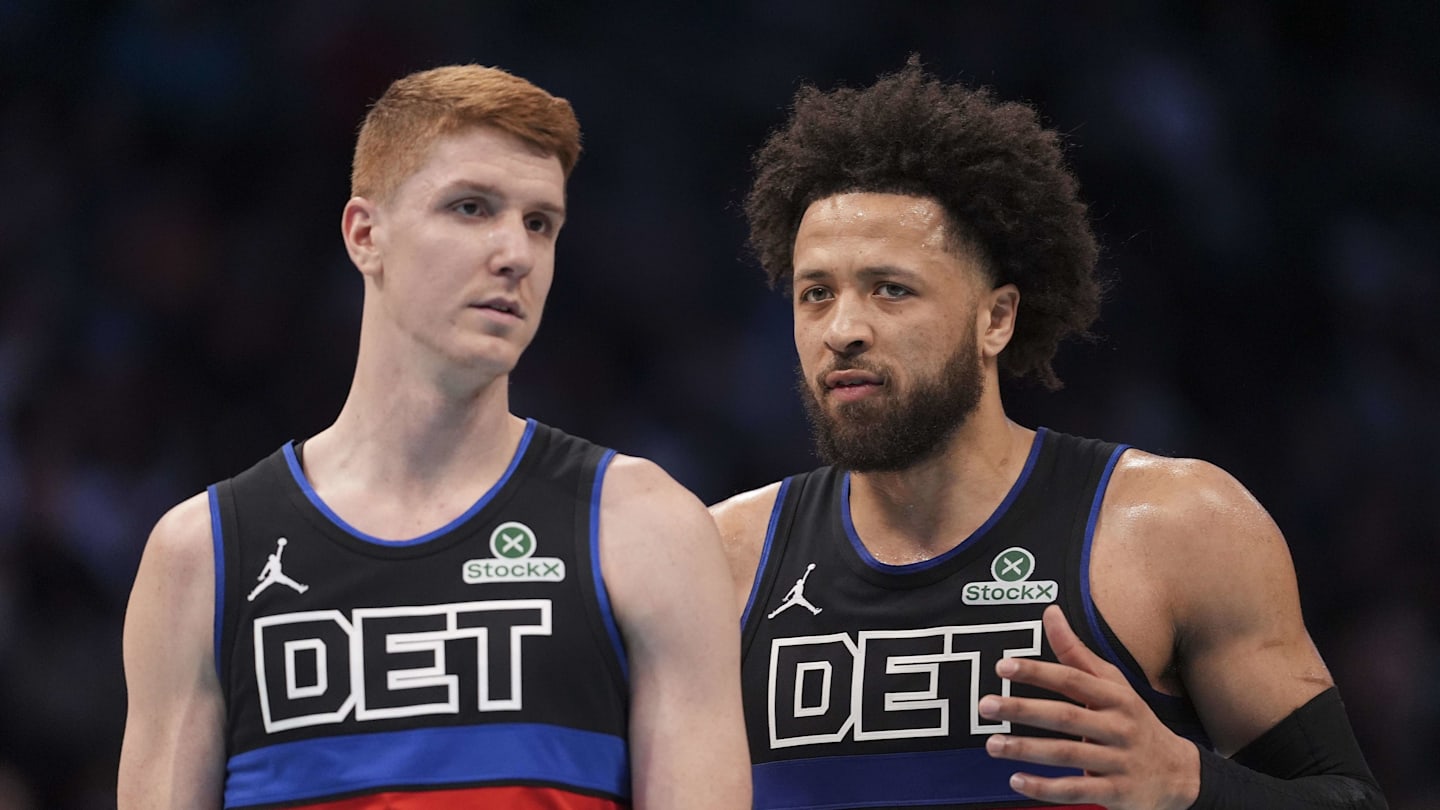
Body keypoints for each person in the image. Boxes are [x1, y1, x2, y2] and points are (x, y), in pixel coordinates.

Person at [711, 60, 1386, 810]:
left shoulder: (1172, 528)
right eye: (816, 295)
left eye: (890, 289)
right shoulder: (719, 563)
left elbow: (1351, 799)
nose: (843, 330)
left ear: (996, 318)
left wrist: (1190, 783)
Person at [118, 64, 750, 810]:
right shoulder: (202, 558)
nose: (516, 252)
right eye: (472, 208)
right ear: (365, 234)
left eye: (540, 223)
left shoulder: (647, 530)